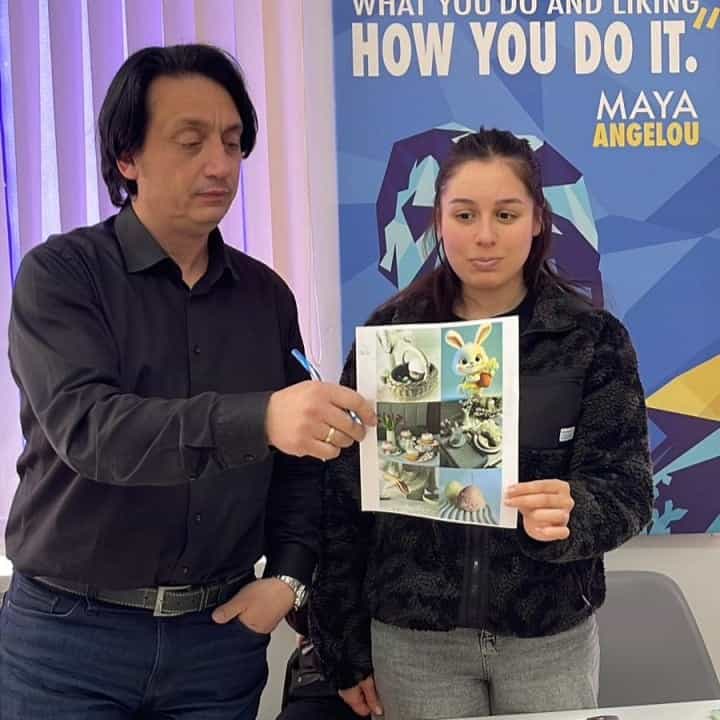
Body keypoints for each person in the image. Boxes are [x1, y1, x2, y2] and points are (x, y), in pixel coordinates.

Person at [0, 44, 374, 720]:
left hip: (216, 640)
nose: (220, 165)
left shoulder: (266, 297)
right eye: (191, 141)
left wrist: (289, 578)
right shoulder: (61, 276)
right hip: (68, 638)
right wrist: (261, 418)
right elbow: (92, 431)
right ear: (127, 157)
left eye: (232, 142)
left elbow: (299, 469)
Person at [309, 128, 653, 719]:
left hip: (548, 637)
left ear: (538, 220)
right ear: (439, 221)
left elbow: (629, 489)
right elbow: (343, 502)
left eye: (506, 214)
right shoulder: (392, 335)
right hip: (414, 641)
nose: (485, 235)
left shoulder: (591, 338)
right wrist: (342, 645)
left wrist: (574, 512)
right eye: (465, 214)